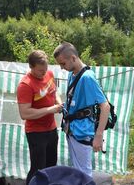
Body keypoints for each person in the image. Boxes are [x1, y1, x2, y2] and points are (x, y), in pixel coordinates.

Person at [53, 42, 110, 177]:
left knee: (84, 173)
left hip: (82, 131)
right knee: (78, 171)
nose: (62, 68)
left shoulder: (87, 77)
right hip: (72, 129)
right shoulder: (72, 74)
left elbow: (105, 106)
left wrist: (98, 135)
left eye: (63, 64)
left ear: (73, 58)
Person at [17, 50, 62, 185]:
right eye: (40, 70)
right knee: (38, 168)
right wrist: (50, 110)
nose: (43, 73)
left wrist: (58, 102)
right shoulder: (25, 85)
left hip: (51, 129)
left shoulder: (49, 74)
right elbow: (24, 113)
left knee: (51, 165)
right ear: (31, 67)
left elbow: (54, 92)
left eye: (45, 68)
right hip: (36, 132)